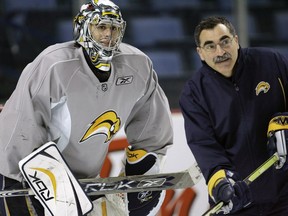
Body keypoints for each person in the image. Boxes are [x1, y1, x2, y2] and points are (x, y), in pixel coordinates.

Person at [0, 0, 173, 215]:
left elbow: (152, 127)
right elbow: (20, 128)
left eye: (113, 27)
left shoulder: (137, 66)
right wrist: (26, 181)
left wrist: (145, 169)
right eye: (100, 26)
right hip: (25, 177)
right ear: (82, 27)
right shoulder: (53, 65)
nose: (108, 34)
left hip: (86, 180)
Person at [179, 16, 288, 215]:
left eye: (225, 41)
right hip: (237, 200)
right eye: (210, 46)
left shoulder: (272, 63)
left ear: (236, 40)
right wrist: (221, 183)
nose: (220, 52)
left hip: (284, 195)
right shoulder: (194, 93)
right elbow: (205, 147)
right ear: (200, 53)